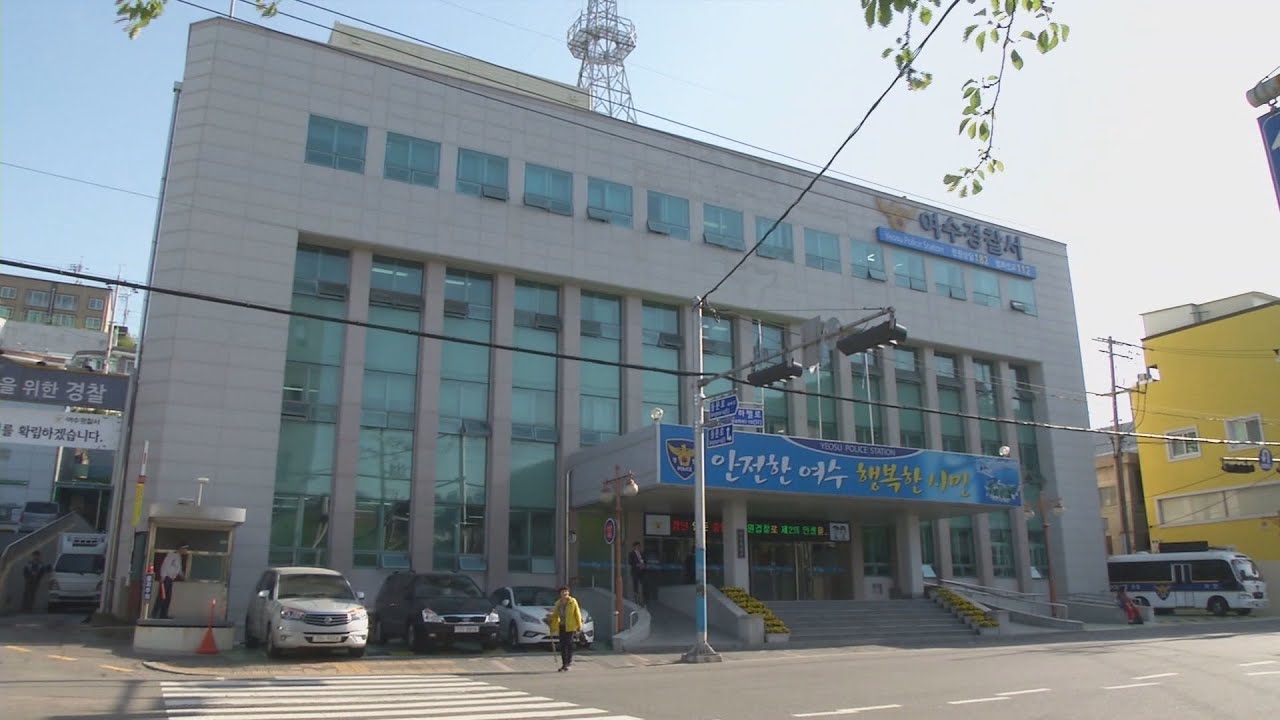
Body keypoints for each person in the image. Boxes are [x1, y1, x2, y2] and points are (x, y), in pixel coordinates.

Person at [545, 585, 584, 672]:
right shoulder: (558, 603)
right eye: (563, 592)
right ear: (560, 594)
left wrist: (579, 626)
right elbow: (555, 614)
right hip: (562, 626)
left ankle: (568, 663)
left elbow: (577, 613)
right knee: (562, 645)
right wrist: (550, 618)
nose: (565, 593)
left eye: (566, 591)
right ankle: (564, 664)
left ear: (568, 592)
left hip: (571, 626)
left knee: (568, 643)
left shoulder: (572, 601)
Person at [153, 542, 190, 620]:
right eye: (185, 549)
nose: (186, 551)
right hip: (166, 578)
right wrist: (163, 576)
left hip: (170, 579)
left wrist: (183, 577)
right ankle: (154, 615)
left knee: (167, 598)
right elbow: (165, 565)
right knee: (161, 597)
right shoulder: (171, 555)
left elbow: (178, 570)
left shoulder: (179, 557)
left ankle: (163, 615)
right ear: (181, 549)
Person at [627, 542, 646, 606]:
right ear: (634, 547)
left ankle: (642, 600)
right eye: (637, 546)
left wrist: (644, 565)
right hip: (635, 572)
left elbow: (645, 561)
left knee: (642, 585)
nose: (638, 547)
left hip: (642, 572)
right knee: (636, 586)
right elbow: (630, 562)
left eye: (639, 546)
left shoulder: (642, 553)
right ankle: (636, 600)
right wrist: (638, 565)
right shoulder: (631, 554)